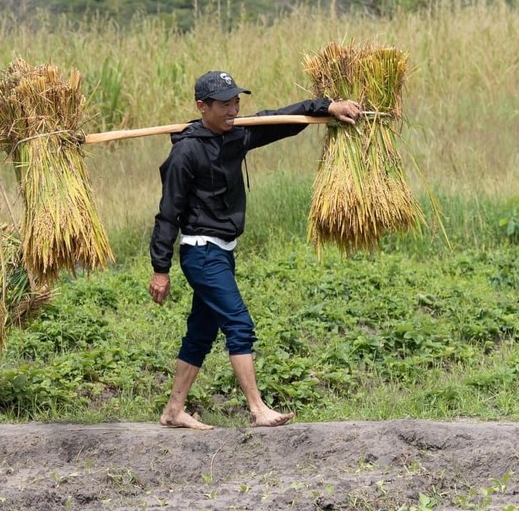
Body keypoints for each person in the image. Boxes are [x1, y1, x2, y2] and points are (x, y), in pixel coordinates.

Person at [149, 71, 362, 430]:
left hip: (222, 251)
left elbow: (285, 119)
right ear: (202, 106)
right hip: (201, 252)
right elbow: (168, 212)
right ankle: (257, 408)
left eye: (236, 101)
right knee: (239, 325)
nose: (233, 109)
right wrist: (160, 268)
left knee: (202, 332)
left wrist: (328, 106)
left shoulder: (238, 133)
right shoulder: (186, 151)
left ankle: (173, 411)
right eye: (224, 103)